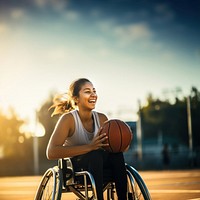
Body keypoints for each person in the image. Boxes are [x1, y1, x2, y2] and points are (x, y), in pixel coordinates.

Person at [46, 78, 129, 200]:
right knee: (95, 154)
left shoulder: (101, 118)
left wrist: (121, 144)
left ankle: (124, 198)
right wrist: (89, 147)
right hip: (77, 167)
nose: (93, 94)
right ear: (76, 99)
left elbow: (111, 145)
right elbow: (51, 152)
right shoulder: (68, 120)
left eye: (94, 91)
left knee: (117, 156)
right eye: (87, 91)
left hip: (100, 164)